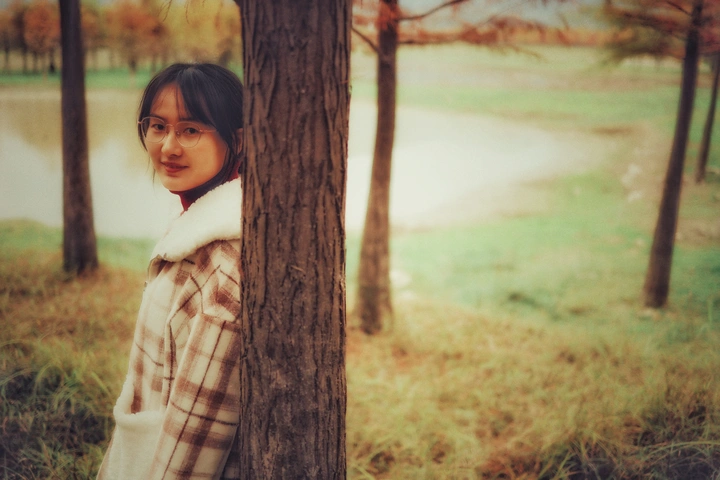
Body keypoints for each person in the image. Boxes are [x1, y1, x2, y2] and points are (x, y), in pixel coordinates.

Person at [97, 63, 244, 480]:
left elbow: (198, 433)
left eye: (190, 130)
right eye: (157, 126)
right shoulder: (197, 223)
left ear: (237, 139)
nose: (168, 147)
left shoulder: (224, 261)